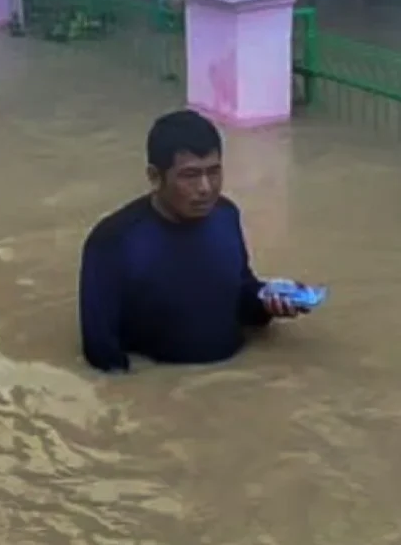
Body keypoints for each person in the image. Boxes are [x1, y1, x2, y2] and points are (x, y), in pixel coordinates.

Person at [78, 109, 309, 373]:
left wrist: (269, 300)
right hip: (166, 392)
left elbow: (241, 299)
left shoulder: (226, 215)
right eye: (190, 175)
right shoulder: (113, 241)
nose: (206, 188)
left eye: (213, 172)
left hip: (236, 383)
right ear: (155, 177)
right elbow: (101, 353)